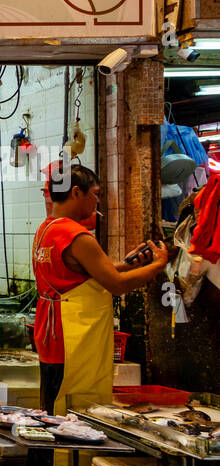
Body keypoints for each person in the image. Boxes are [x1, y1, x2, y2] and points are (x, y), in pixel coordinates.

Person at [33, 164, 167, 419]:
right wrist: (157, 266)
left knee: (50, 409)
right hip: (74, 338)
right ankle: (71, 459)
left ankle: (48, 459)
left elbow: (79, 272)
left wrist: (128, 264)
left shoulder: (47, 229)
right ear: (75, 192)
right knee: (73, 411)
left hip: (52, 335)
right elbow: (116, 284)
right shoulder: (77, 235)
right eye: (95, 193)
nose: (97, 201)